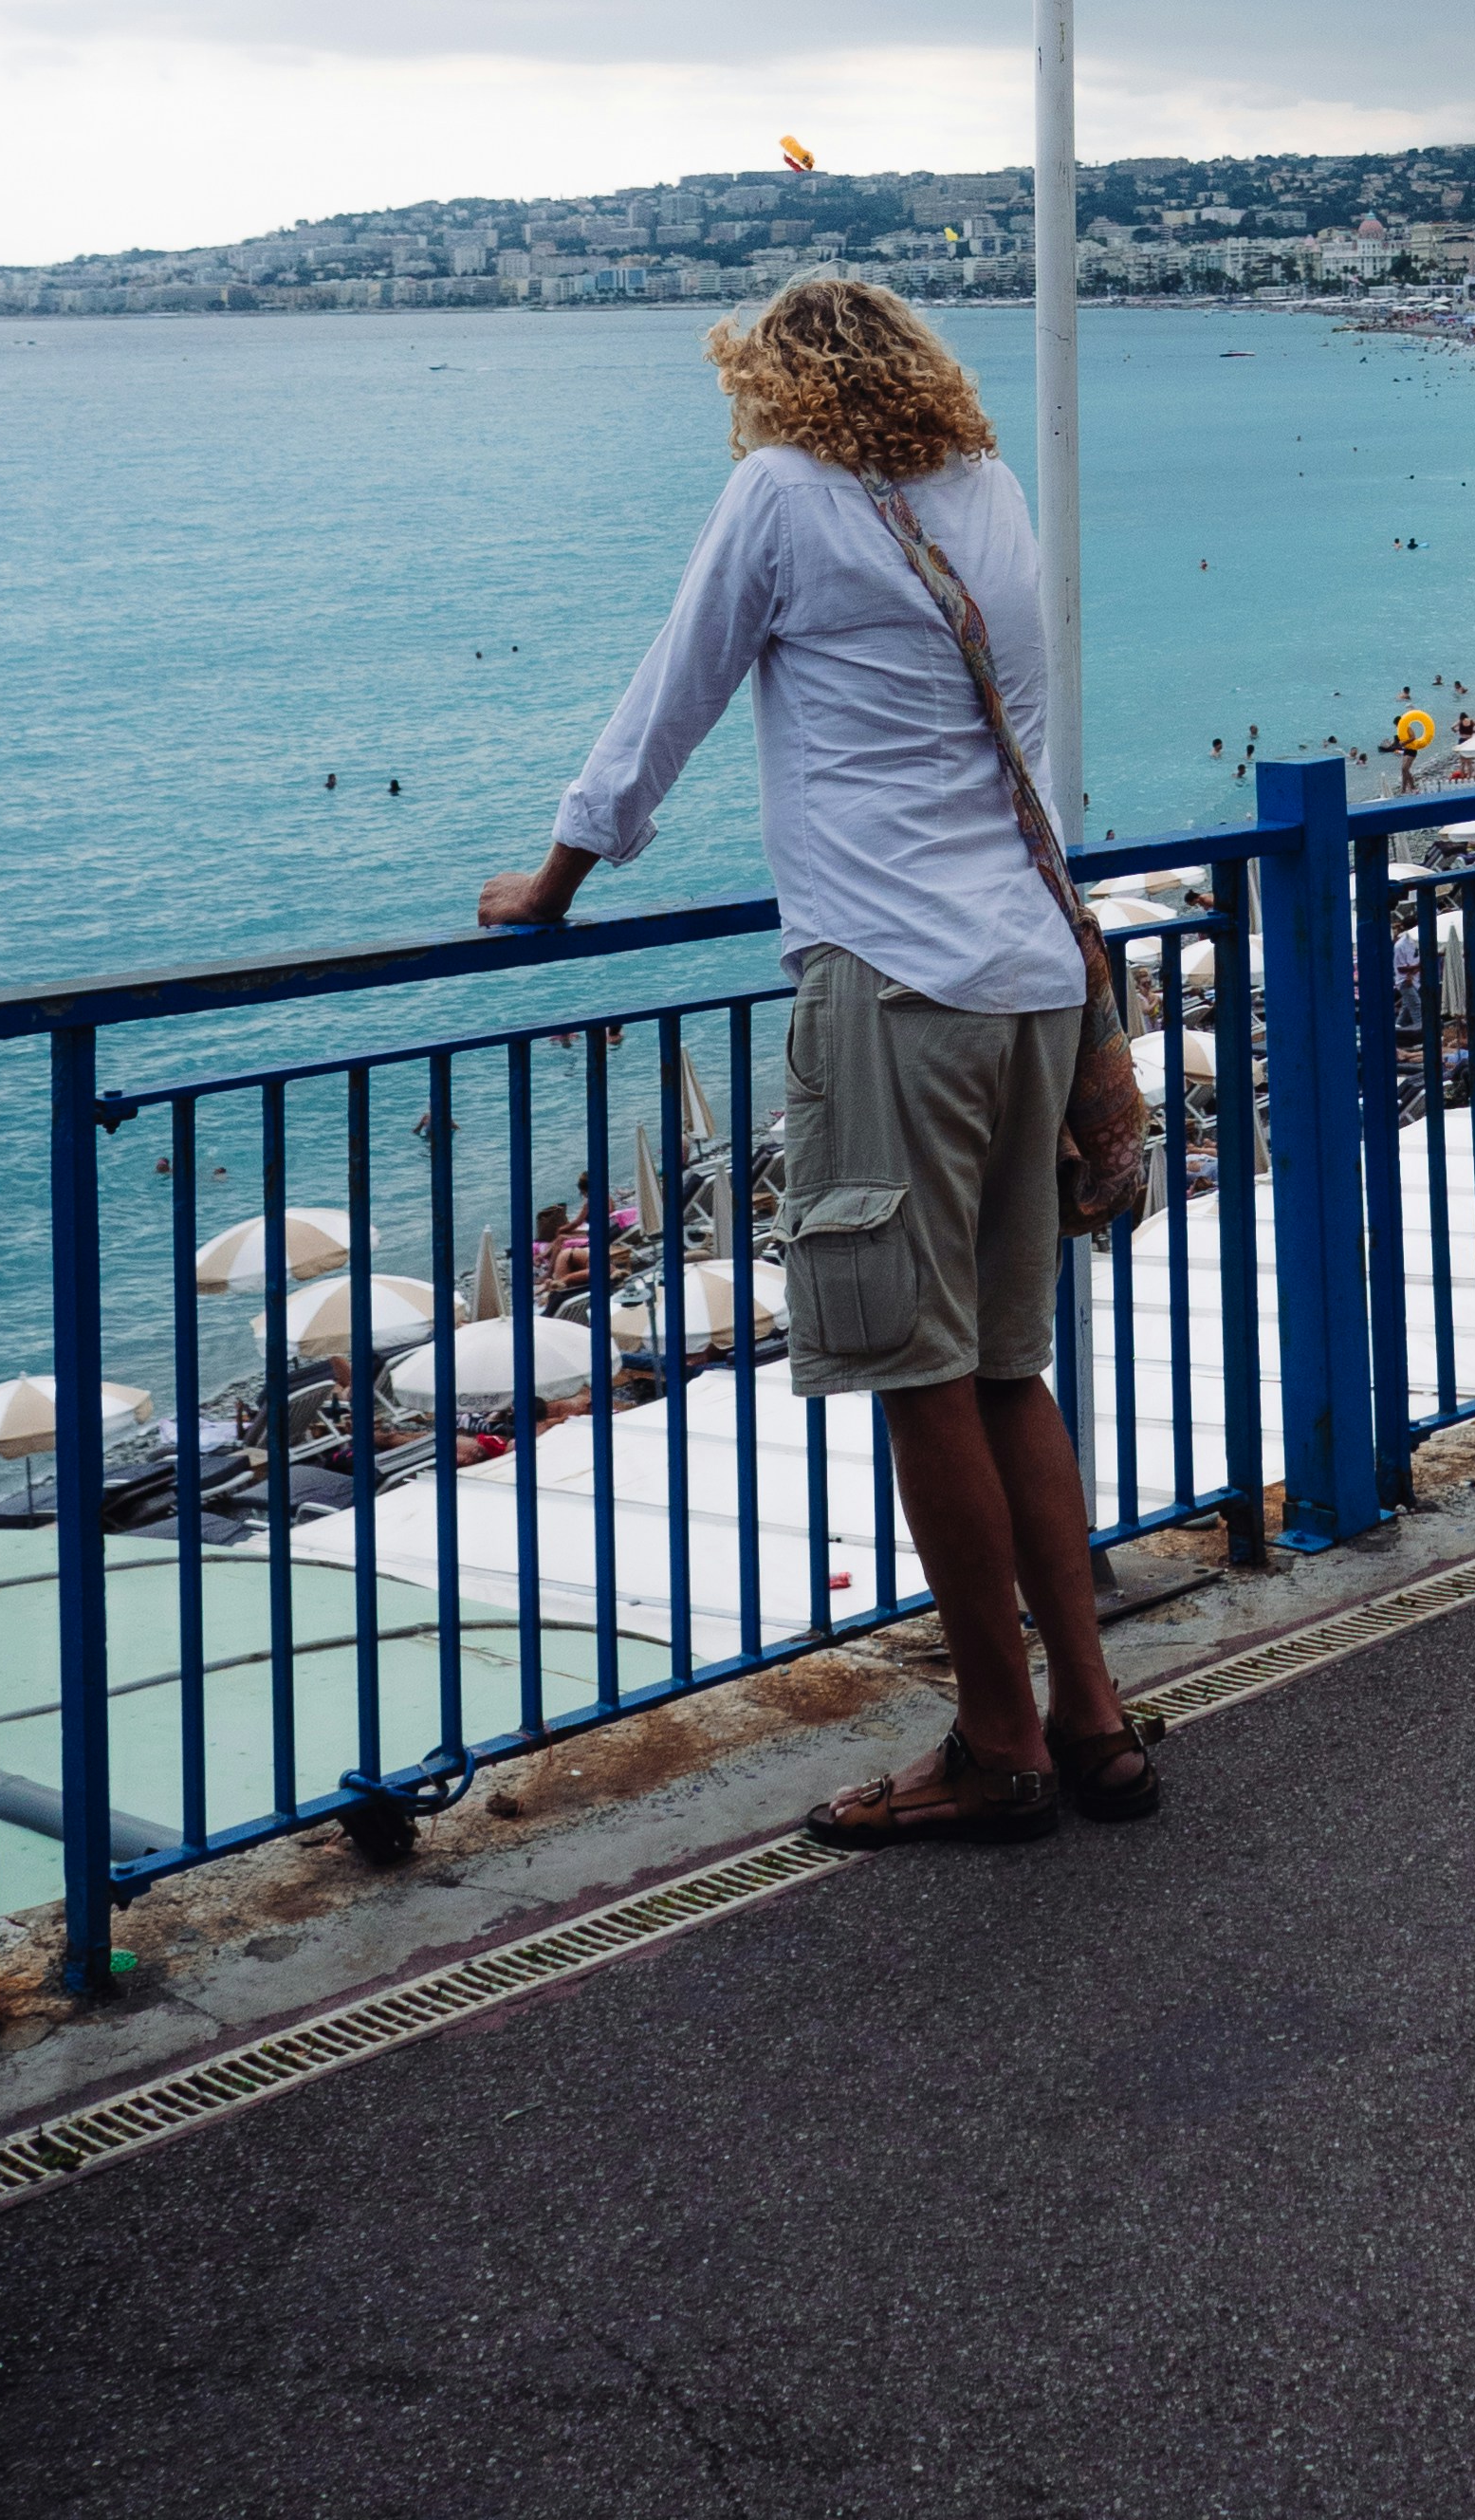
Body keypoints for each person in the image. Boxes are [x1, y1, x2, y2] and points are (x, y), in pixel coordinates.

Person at [478, 279, 1155, 1841]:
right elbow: (1030, 735)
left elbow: (669, 698)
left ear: (770, 382)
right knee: (1006, 1361)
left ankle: (999, 1740)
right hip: (1026, 978)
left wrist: (555, 881)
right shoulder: (985, 488)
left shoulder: (778, 493)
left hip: (896, 985)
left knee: (917, 1370)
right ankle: (1092, 1713)